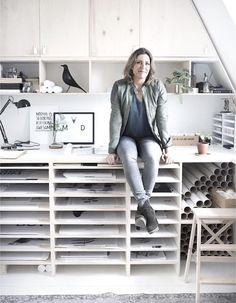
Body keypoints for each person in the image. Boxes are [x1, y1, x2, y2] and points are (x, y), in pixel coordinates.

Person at [106, 47, 172, 234]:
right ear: (132, 65)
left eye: (147, 63)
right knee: (127, 155)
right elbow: (115, 118)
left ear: (150, 67)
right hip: (127, 136)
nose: (143, 66)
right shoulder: (119, 87)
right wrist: (112, 149)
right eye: (139, 62)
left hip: (149, 136)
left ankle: (143, 206)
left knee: (152, 156)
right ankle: (147, 207)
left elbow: (162, 118)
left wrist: (166, 146)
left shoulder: (157, 86)